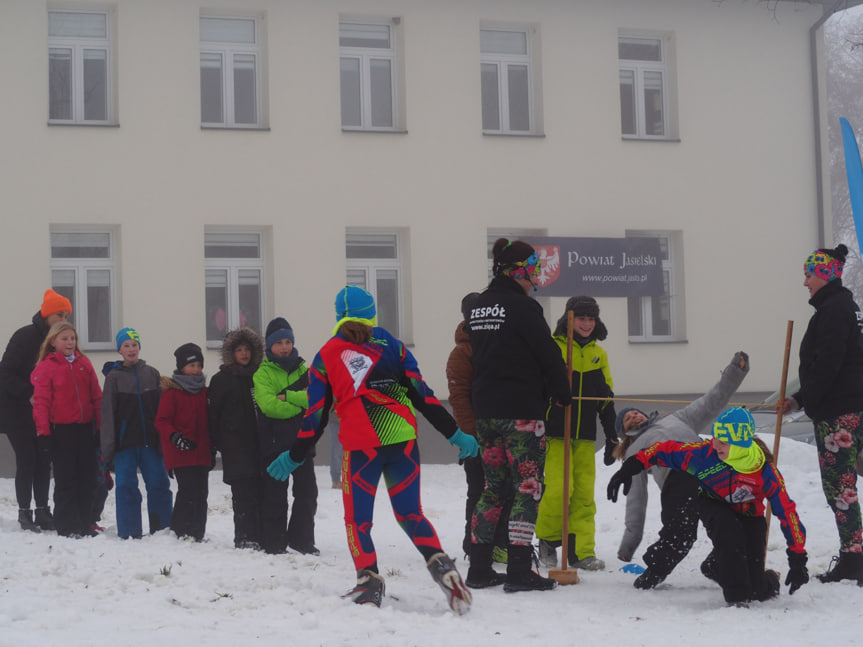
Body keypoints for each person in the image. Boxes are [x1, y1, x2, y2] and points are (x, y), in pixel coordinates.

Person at [266, 286, 478, 614]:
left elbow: (316, 415)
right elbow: (424, 396)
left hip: (362, 447)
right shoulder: (394, 346)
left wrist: (295, 455)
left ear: (338, 316)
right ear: (372, 313)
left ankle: (369, 583)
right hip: (403, 441)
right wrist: (456, 435)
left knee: (358, 522)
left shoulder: (327, 354)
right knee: (411, 513)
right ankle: (442, 567)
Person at [608, 407, 809, 606]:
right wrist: (630, 466)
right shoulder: (704, 455)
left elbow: (787, 513)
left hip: (749, 513)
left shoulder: (765, 472)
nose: (715, 446)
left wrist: (797, 557)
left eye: (723, 442)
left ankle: (720, 567)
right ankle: (736, 598)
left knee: (755, 588)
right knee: (728, 531)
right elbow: (664, 450)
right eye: (714, 439)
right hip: (712, 502)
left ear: (740, 444)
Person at [465, 238, 571, 592]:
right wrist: (562, 392)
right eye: (533, 271)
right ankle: (519, 570)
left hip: (486, 412)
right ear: (519, 271)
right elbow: (548, 354)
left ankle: (479, 568)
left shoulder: (478, 307)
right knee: (527, 487)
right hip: (521, 413)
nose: (536, 278)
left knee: (493, 488)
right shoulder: (524, 308)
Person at [612, 351, 750, 589]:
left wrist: (735, 372)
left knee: (736, 517)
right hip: (677, 482)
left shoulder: (679, 418)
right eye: (627, 419)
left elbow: (712, 400)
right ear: (626, 433)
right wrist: (629, 545)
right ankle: (654, 572)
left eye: (635, 412)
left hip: (709, 470)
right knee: (680, 534)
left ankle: (717, 564)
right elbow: (636, 501)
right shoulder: (635, 452)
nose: (633, 415)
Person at [779, 244, 863, 584]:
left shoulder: (832, 311)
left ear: (826, 275)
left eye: (809, 275)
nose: (805, 283)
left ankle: (854, 560)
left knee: (841, 488)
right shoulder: (848, 307)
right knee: (847, 486)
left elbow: (828, 364)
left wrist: (805, 400)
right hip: (855, 407)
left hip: (839, 415)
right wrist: (800, 399)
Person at [536, 296, 617, 572]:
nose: (586, 324)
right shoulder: (554, 348)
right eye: (581, 318)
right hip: (557, 434)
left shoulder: (599, 354)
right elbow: (539, 390)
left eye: (591, 318)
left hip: (584, 436)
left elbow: (606, 398)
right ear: (568, 319)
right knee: (559, 489)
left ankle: (581, 551)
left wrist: (612, 436)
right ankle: (547, 540)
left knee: (583, 494)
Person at [446, 291, 510, 560]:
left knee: (505, 489)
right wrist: (470, 436)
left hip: (504, 433)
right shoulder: (462, 353)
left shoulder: (499, 345)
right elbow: (459, 399)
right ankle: (473, 545)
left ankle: (499, 543)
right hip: (476, 437)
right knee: (479, 490)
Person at [0, 289, 70, 532]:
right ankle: (24, 512)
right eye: (58, 315)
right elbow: (5, 373)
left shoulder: (59, 342)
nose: (63, 320)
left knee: (43, 461)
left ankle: (42, 510)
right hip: (17, 411)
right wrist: (29, 394)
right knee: (27, 460)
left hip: (44, 413)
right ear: (47, 314)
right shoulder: (24, 336)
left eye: (66, 316)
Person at [30, 321, 102, 538]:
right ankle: (67, 525)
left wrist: (99, 427)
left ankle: (84, 522)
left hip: (84, 429)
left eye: (72, 338)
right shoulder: (46, 367)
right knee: (66, 478)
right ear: (53, 342)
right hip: (61, 430)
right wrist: (44, 433)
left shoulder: (84, 364)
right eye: (65, 338)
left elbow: (96, 396)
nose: (70, 342)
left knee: (87, 477)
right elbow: (41, 402)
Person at [253, 317, 317, 555]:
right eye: (279, 342)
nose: (284, 346)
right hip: (274, 445)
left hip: (302, 443)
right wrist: (301, 401)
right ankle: (274, 542)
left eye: (288, 341)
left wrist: (289, 397)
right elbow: (269, 407)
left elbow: (315, 400)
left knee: (307, 494)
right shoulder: (262, 374)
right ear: (269, 346)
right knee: (275, 497)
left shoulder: (303, 370)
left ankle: (302, 541)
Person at [101, 327, 173, 539]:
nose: (131, 349)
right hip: (125, 445)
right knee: (126, 487)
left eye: (134, 344)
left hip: (151, 442)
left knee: (159, 483)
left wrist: (163, 442)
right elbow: (107, 415)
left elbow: (162, 410)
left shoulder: (151, 373)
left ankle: (163, 528)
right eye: (126, 345)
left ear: (139, 347)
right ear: (120, 350)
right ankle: (129, 531)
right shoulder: (113, 378)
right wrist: (108, 449)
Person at [209, 327, 266, 550]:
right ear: (230, 353)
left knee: (259, 491)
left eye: (247, 349)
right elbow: (213, 416)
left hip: (259, 444)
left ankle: (260, 534)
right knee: (242, 494)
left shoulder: (260, 376)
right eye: (239, 350)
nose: (243, 354)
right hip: (235, 447)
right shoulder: (221, 379)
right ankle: (243, 536)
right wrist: (217, 444)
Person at [155, 343, 211, 541]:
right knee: (187, 490)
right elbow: (161, 421)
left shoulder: (205, 392)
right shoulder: (172, 392)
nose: (195, 369)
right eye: (191, 365)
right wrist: (174, 436)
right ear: (181, 367)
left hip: (202, 452)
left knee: (201, 492)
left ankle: (197, 532)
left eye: (198, 365)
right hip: (180, 453)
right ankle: (181, 530)